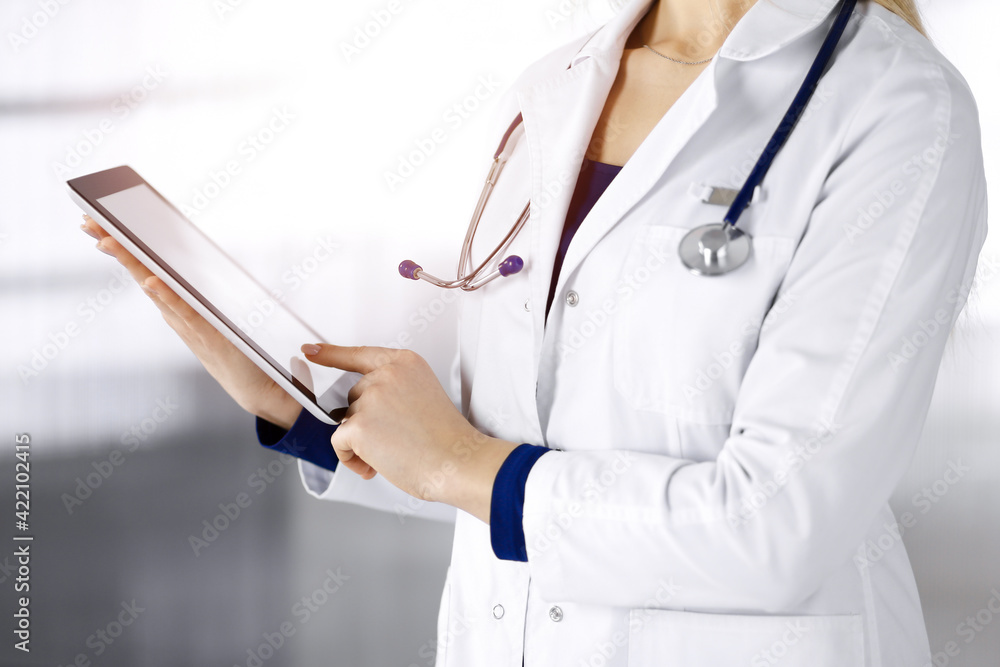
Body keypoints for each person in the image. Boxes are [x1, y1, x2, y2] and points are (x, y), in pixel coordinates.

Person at [82, 0, 988, 664]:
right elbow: (503, 446)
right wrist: (306, 410)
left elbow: (779, 526)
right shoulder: (552, 87)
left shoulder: (896, 108)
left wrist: (454, 462)